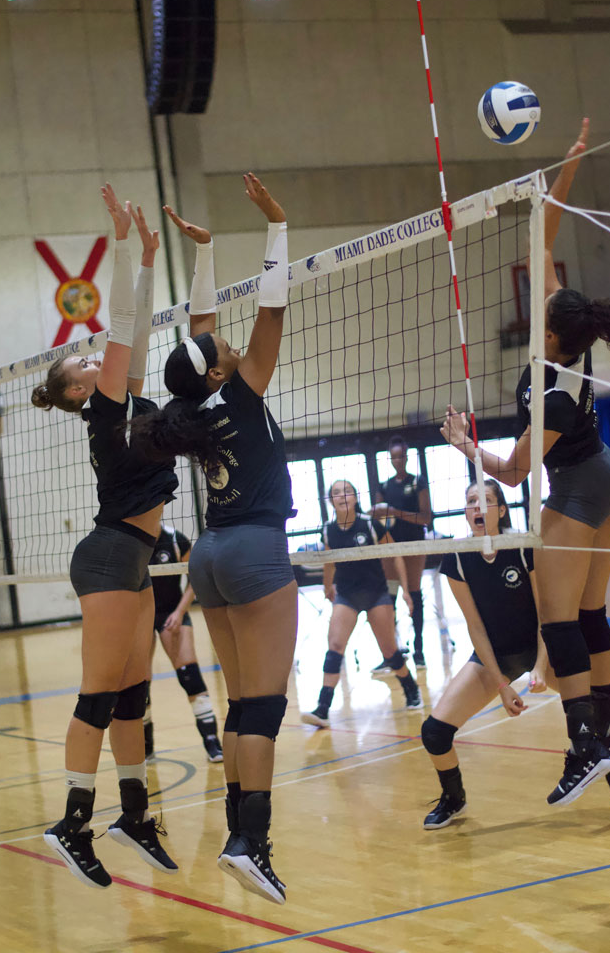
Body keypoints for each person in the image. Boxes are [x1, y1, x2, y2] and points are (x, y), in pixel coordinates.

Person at [441, 118, 610, 807]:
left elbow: (516, 472)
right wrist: (569, 167)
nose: (533, 318)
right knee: (586, 620)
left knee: (557, 622)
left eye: (539, 322)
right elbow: (543, 237)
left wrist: (468, 449)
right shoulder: (565, 331)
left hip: (582, 484)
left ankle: (585, 743)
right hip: (607, 474)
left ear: (551, 334)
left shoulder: (553, 392)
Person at [132, 173, 294, 905]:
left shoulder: (196, 404)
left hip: (215, 554)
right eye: (220, 345)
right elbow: (271, 306)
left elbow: (201, 334)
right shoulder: (245, 385)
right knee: (261, 707)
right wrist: (275, 227)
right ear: (223, 368)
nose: (222, 338)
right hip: (254, 550)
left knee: (240, 706)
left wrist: (201, 253)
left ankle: (239, 831)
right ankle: (249, 843)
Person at [31, 188, 178, 888]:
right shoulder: (107, 406)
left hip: (136, 559)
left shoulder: (126, 402)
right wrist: (119, 243)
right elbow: (120, 323)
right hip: (110, 555)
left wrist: (148, 257)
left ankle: (134, 813)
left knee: (132, 695)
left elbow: (136, 330)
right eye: (83, 366)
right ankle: (73, 821)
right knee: (98, 692)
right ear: (82, 392)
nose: (95, 359)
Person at [422, 480, 610, 830]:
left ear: (501, 510)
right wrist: (502, 684)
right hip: (496, 658)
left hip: (542, 650)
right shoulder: (456, 557)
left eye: (486, 500)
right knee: (434, 733)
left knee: (596, 722)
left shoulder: (522, 547)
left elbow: (546, 613)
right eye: (471, 501)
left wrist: (539, 665)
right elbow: (476, 628)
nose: (477, 507)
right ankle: (453, 798)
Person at [301, 479, 423, 727]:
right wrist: (327, 586)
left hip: (376, 593)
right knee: (334, 646)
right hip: (347, 596)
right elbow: (328, 561)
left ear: (355, 498)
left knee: (389, 651)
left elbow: (395, 553)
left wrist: (407, 591)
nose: (342, 495)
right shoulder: (327, 529)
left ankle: (410, 688)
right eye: (336, 493)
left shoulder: (369, 524)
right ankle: (323, 709)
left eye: (347, 491)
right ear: (331, 501)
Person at [144, 523, 223, 763]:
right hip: (141, 616)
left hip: (172, 611)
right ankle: (145, 747)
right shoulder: (133, 543)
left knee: (190, 675)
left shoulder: (176, 540)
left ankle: (212, 743)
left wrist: (179, 612)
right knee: (139, 684)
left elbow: (194, 580)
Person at [371, 435, 431, 670]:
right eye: (394, 457)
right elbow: (377, 517)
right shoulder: (384, 487)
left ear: (406, 457)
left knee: (414, 595)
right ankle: (393, 653)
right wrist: (377, 512)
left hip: (414, 545)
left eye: (401, 456)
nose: (398, 461)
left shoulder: (418, 482)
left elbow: (426, 518)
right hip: (391, 546)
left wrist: (395, 511)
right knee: (390, 597)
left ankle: (419, 650)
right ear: (390, 459)